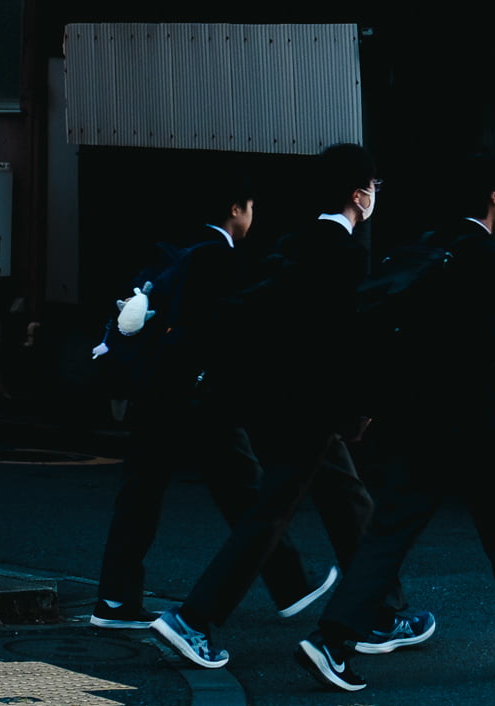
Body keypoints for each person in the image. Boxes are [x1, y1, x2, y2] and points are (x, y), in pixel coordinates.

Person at [302, 154, 495, 691]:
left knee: (390, 532)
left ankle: (332, 639)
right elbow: (474, 347)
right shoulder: (486, 255)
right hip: (477, 421)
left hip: (416, 416)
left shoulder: (424, 249)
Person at [151, 142, 382, 673]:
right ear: (358, 193)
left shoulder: (296, 241)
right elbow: (342, 341)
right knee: (270, 515)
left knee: (345, 498)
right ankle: (194, 618)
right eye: (374, 187)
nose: (375, 196)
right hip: (314, 406)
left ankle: (384, 609)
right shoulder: (347, 252)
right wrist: (357, 410)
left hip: (280, 400)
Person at [92, 171, 340, 634]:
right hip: (198, 395)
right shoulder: (218, 257)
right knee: (245, 487)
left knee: (142, 493)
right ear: (235, 208)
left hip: (155, 390)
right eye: (250, 207)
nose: (252, 217)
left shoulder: (171, 252)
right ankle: (290, 584)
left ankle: (115, 598)